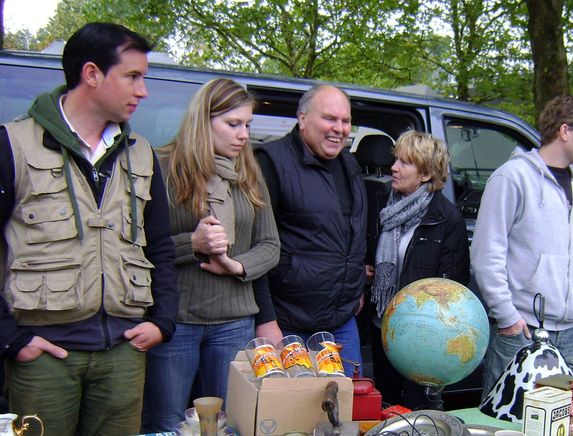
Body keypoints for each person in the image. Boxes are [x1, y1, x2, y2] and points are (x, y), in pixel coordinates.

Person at [0, 23, 177, 435]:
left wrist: (162, 322)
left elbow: (161, 248)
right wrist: (11, 338)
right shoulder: (13, 144)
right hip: (44, 355)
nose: (143, 91)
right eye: (133, 76)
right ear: (92, 73)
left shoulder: (142, 155)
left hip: (125, 351)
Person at [141, 78, 280, 431]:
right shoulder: (163, 168)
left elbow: (270, 245)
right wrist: (194, 244)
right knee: (167, 423)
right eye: (233, 124)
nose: (243, 135)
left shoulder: (249, 174)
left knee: (228, 424)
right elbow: (138, 246)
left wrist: (236, 265)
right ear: (203, 121)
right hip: (177, 320)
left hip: (234, 321)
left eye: (247, 124)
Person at [471, 95, 573, 395]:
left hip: (570, 333)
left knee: (554, 421)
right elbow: (485, 253)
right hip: (523, 330)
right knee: (505, 423)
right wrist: (507, 317)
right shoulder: (512, 177)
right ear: (565, 130)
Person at [257, 84, 367, 377]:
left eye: (345, 121)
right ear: (302, 118)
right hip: (287, 323)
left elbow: (351, 231)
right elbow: (255, 245)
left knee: (347, 410)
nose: (340, 128)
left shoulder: (349, 163)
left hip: (341, 322)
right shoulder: (271, 161)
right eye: (330, 118)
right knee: (290, 416)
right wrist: (266, 319)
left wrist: (354, 283)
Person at [367, 130, 469, 409]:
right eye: (395, 160)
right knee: (385, 407)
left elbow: (453, 289)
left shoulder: (447, 219)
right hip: (384, 327)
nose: (394, 168)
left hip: (422, 338)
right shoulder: (384, 208)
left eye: (404, 163)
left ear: (425, 174)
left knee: (418, 411)